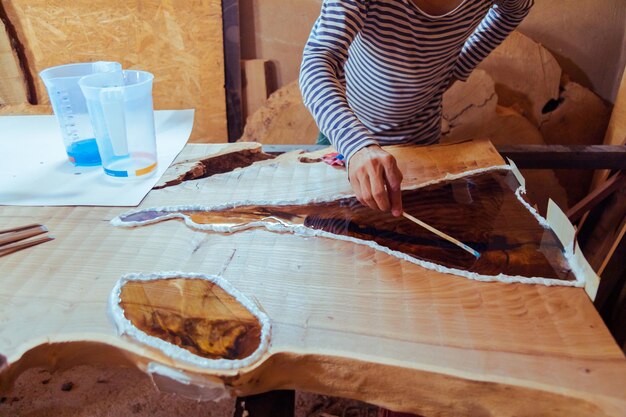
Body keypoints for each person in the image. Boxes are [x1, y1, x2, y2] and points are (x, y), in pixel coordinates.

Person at [299, 0, 534, 218]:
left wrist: (460, 66)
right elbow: (318, 59)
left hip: (421, 134)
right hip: (344, 134)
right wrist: (355, 145)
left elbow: (516, 8)